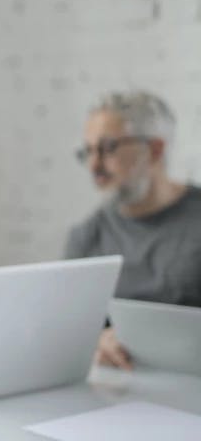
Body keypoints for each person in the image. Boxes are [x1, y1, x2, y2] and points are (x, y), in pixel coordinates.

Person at [65, 90, 201, 370]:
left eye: (108, 147)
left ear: (155, 150)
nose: (94, 165)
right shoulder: (86, 237)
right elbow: (72, 330)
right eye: (88, 151)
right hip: (119, 391)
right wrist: (97, 341)